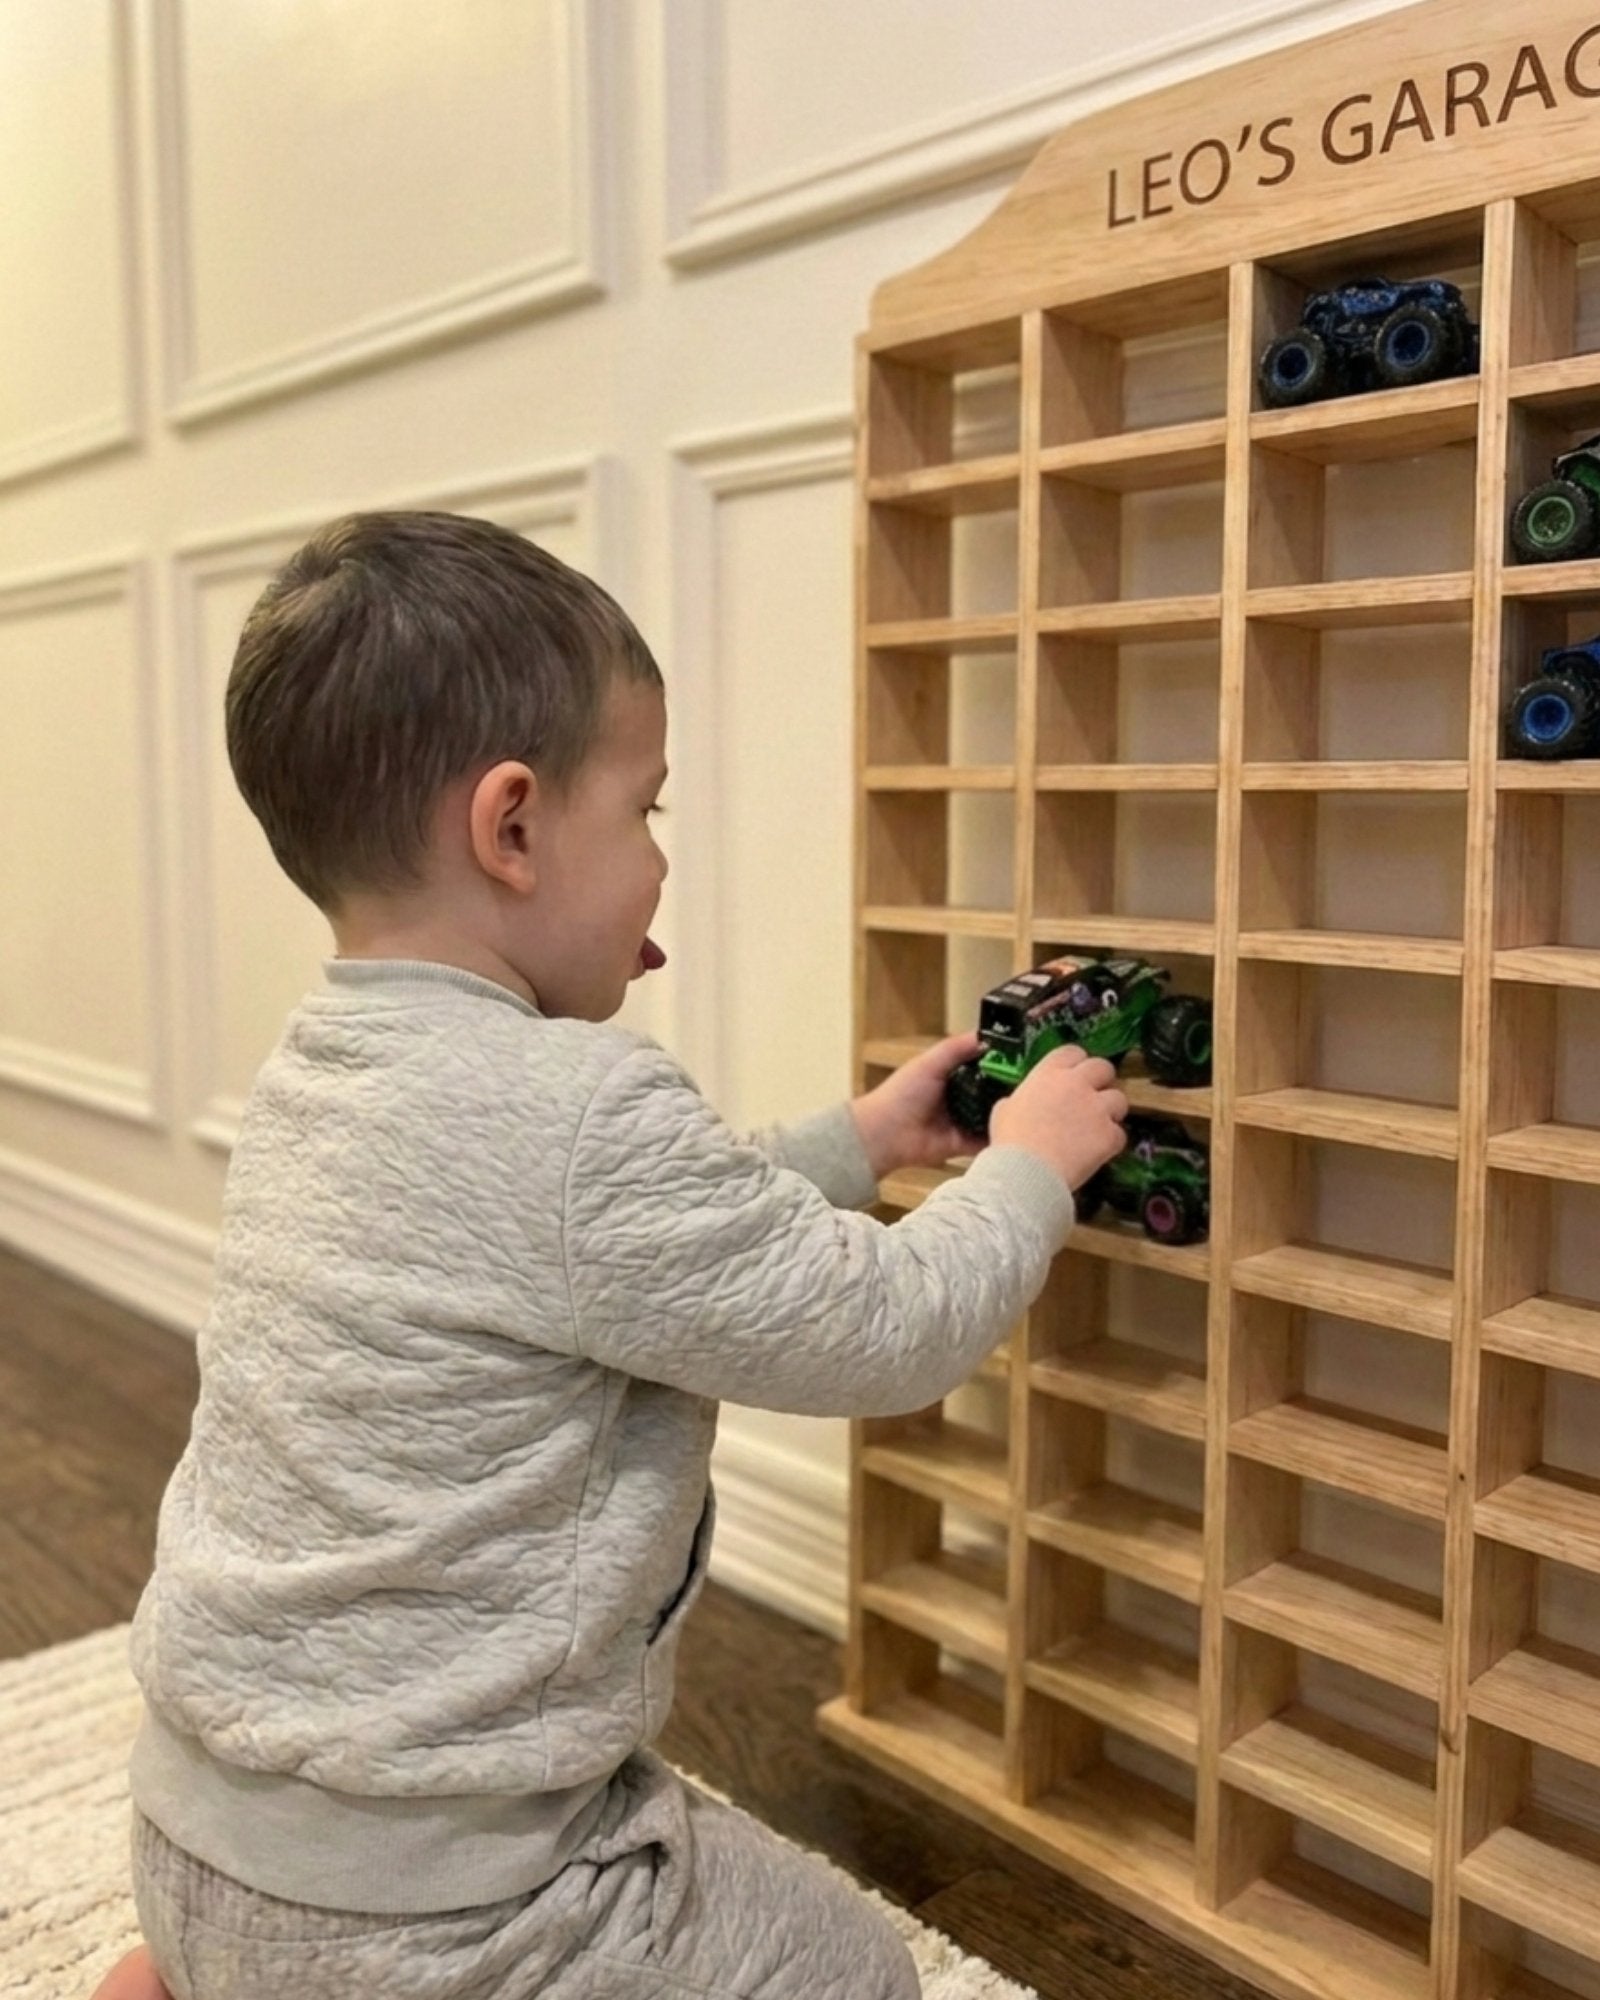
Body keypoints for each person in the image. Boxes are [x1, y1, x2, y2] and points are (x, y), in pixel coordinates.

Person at [105, 511, 1127, 2000]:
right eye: (645, 811)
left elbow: (638, 1248)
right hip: (440, 1912)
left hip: (201, 1826)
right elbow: (881, 1328)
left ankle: (204, 1973)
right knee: (853, 1974)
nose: (659, 861)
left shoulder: (328, 1069)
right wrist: (1031, 1169)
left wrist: (859, 1141)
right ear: (512, 828)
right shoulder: (581, 1113)